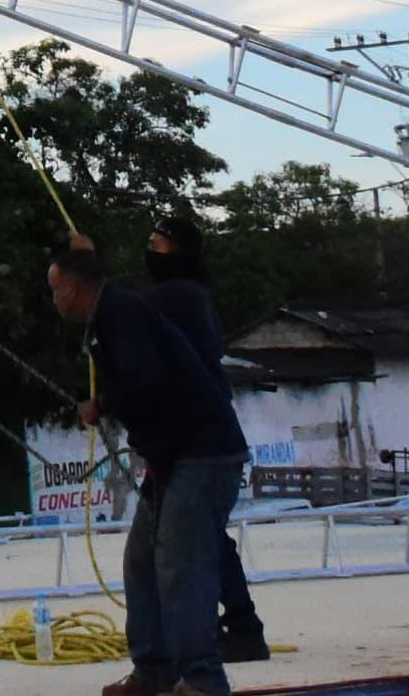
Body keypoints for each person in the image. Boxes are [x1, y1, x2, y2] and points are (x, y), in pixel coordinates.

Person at [48, 243, 246, 696]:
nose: (55, 301)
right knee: (142, 563)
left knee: (182, 567)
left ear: (74, 290)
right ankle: (154, 668)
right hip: (173, 458)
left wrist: (100, 405)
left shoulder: (120, 315)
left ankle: (202, 680)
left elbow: (147, 380)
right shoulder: (111, 314)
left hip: (202, 454)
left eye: (56, 291)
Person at [135, 222, 273, 666]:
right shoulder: (194, 296)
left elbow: (115, 307)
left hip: (195, 443)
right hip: (200, 439)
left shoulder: (175, 297)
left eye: (156, 246)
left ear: (175, 253)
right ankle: (234, 627)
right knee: (204, 541)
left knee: (182, 550)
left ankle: (210, 640)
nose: (149, 252)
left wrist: (86, 264)